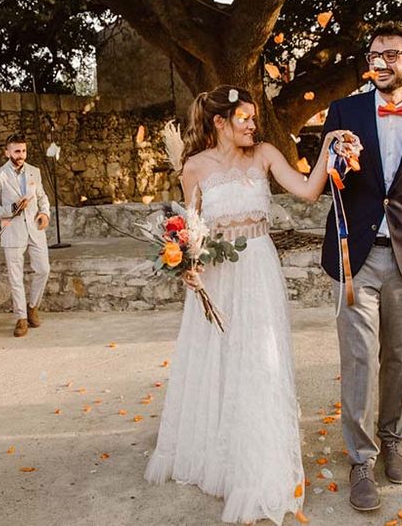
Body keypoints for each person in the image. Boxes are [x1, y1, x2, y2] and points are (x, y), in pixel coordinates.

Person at [144, 85, 355, 525]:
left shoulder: (265, 155)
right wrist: (186, 264)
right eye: (245, 118)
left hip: (258, 267)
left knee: (261, 361)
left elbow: (308, 190)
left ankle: (261, 463)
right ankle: (218, 456)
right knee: (218, 360)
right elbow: (189, 227)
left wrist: (330, 145)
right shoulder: (195, 167)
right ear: (220, 122)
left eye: (253, 119)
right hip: (219, 275)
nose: (252, 125)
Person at [320, 21, 402, 512]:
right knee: (358, 358)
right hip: (353, 257)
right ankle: (360, 457)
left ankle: (392, 437)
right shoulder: (344, 111)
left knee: (396, 355)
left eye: (392, 54)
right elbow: (328, 178)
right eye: (375, 54)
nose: (381, 62)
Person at [0, 133, 50, 337]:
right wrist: (11, 207)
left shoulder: (34, 172)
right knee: (15, 277)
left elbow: (42, 197)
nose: (21, 155)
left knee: (43, 269)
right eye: (16, 151)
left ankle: (32, 307)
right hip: (12, 232)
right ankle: (21, 318)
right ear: (7, 152)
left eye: (23, 150)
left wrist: (45, 213)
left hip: (35, 230)